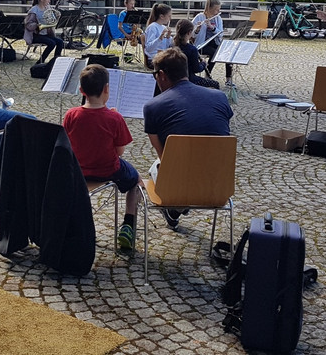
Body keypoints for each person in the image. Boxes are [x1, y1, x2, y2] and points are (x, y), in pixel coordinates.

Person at [143, 48, 233, 229]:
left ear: (161, 75)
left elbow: (164, 158)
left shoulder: (153, 106)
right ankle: (176, 210)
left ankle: (176, 207)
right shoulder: (220, 97)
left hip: (176, 186)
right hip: (217, 185)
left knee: (157, 166)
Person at [62, 64, 144, 251]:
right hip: (108, 170)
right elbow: (120, 152)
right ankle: (128, 225)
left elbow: (66, 143)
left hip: (79, 170)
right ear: (107, 89)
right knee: (136, 181)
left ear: (81, 90)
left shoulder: (71, 115)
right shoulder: (114, 119)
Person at [173, 19, 219, 89]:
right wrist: (203, 64)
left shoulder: (172, 46)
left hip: (174, 78)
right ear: (189, 33)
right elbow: (196, 69)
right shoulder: (192, 49)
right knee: (215, 84)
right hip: (190, 79)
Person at [193, 0, 229, 84]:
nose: (218, 12)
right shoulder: (200, 17)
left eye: (219, 9)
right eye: (216, 9)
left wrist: (212, 28)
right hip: (202, 45)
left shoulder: (218, 18)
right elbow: (191, 34)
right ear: (209, 8)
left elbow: (220, 34)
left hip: (214, 42)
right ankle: (207, 75)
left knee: (228, 52)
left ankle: (228, 79)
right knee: (214, 53)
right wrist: (197, 29)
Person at [24, 0, 64, 64]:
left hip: (46, 34)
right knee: (51, 43)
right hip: (36, 34)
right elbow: (28, 24)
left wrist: (56, 17)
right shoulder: (34, 10)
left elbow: (52, 20)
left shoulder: (47, 8)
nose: (49, 1)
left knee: (60, 42)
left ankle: (56, 61)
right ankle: (40, 61)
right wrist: (36, 25)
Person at [143, 3, 174, 69]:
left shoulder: (163, 27)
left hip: (162, 57)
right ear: (162, 16)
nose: (170, 18)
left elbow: (165, 47)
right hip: (153, 60)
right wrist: (159, 38)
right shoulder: (152, 27)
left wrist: (168, 37)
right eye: (169, 16)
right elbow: (148, 48)